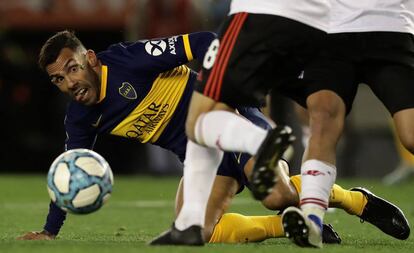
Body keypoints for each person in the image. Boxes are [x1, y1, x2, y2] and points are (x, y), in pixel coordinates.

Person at [17, 30, 409, 245]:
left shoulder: (128, 59)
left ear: (91, 59)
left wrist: (229, 86)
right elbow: (68, 175)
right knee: (201, 231)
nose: (69, 82)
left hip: (232, 121)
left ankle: (354, 201)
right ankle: (295, 225)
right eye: (58, 79)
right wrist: (51, 230)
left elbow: (204, 42)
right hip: (200, 158)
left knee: (276, 195)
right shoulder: (80, 119)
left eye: (72, 68)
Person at [149, 0, 335, 247]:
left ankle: (259, 141)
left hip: (258, 16)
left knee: (198, 119)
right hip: (319, 24)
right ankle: (320, 213)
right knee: (323, 115)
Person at [279, 0, 414, 248]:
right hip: (331, 31)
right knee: (322, 119)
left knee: (411, 135)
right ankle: (312, 221)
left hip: (391, 27)